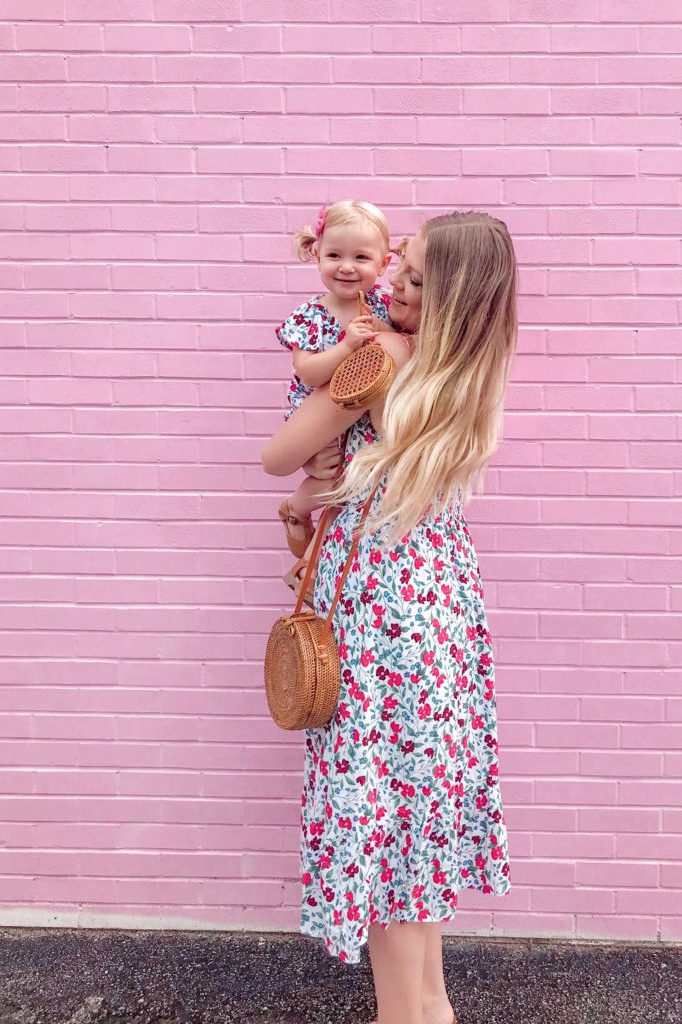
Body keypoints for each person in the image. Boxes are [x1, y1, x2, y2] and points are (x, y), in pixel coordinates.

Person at [261, 211, 517, 1024]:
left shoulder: (383, 354)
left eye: (409, 280)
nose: (388, 286)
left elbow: (276, 452)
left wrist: (303, 477)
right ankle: (427, 1008)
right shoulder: (472, 364)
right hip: (437, 595)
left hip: (379, 602)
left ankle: (404, 1018)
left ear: (445, 296)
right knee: (415, 811)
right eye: (396, 270)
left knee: (380, 814)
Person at [275, 200, 398, 570]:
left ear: (383, 264)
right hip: (321, 418)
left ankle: (313, 564)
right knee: (333, 477)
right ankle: (297, 506)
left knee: (356, 487)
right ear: (317, 256)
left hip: (364, 413)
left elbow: (402, 346)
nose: (346, 267)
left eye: (361, 257)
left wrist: (386, 331)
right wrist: (346, 345)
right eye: (334, 255)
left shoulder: (384, 306)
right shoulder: (309, 316)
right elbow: (309, 371)